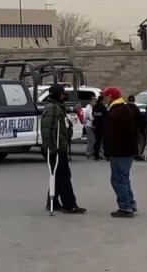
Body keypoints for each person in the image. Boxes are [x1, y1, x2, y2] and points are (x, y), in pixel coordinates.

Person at [40, 84, 85, 214]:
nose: (64, 96)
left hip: (60, 146)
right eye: (62, 94)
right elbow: (48, 130)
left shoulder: (58, 107)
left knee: (58, 175)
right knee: (64, 176)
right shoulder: (53, 108)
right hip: (56, 148)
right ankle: (69, 204)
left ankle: (52, 201)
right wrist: (53, 147)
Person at [103, 86, 138, 218]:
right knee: (124, 178)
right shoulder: (125, 109)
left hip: (119, 151)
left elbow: (111, 135)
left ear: (110, 97)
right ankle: (131, 203)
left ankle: (125, 207)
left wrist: (108, 151)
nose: (104, 99)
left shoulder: (116, 113)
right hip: (128, 150)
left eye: (105, 96)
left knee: (118, 180)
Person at [127, 95, 146, 161]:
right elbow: (139, 118)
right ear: (134, 100)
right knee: (135, 142)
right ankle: (136, 154)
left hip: (125, 127)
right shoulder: (135, 108)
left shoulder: (125, 107)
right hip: (134, 127)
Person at [90, 96, 108, 160]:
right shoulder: (103, 107)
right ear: (102, 100)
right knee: (105, 141)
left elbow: (93, 114)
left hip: (96, 126)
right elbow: (106, 116)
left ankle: (96, 155)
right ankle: (106, 155)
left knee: (97, 141)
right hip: (103, 126)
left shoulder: (95, 107)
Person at [82, 97, 96, 162]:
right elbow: (85, 117)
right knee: (91, 140)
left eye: (95, 101)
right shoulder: (88, 108)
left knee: (91, 140)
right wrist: (85, 124)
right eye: (93, 101)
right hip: (89, 125)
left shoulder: (94, 108)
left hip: (93, 126)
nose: (94, 103)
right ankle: (89, 153)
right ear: (90, 102)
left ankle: (90, 153)